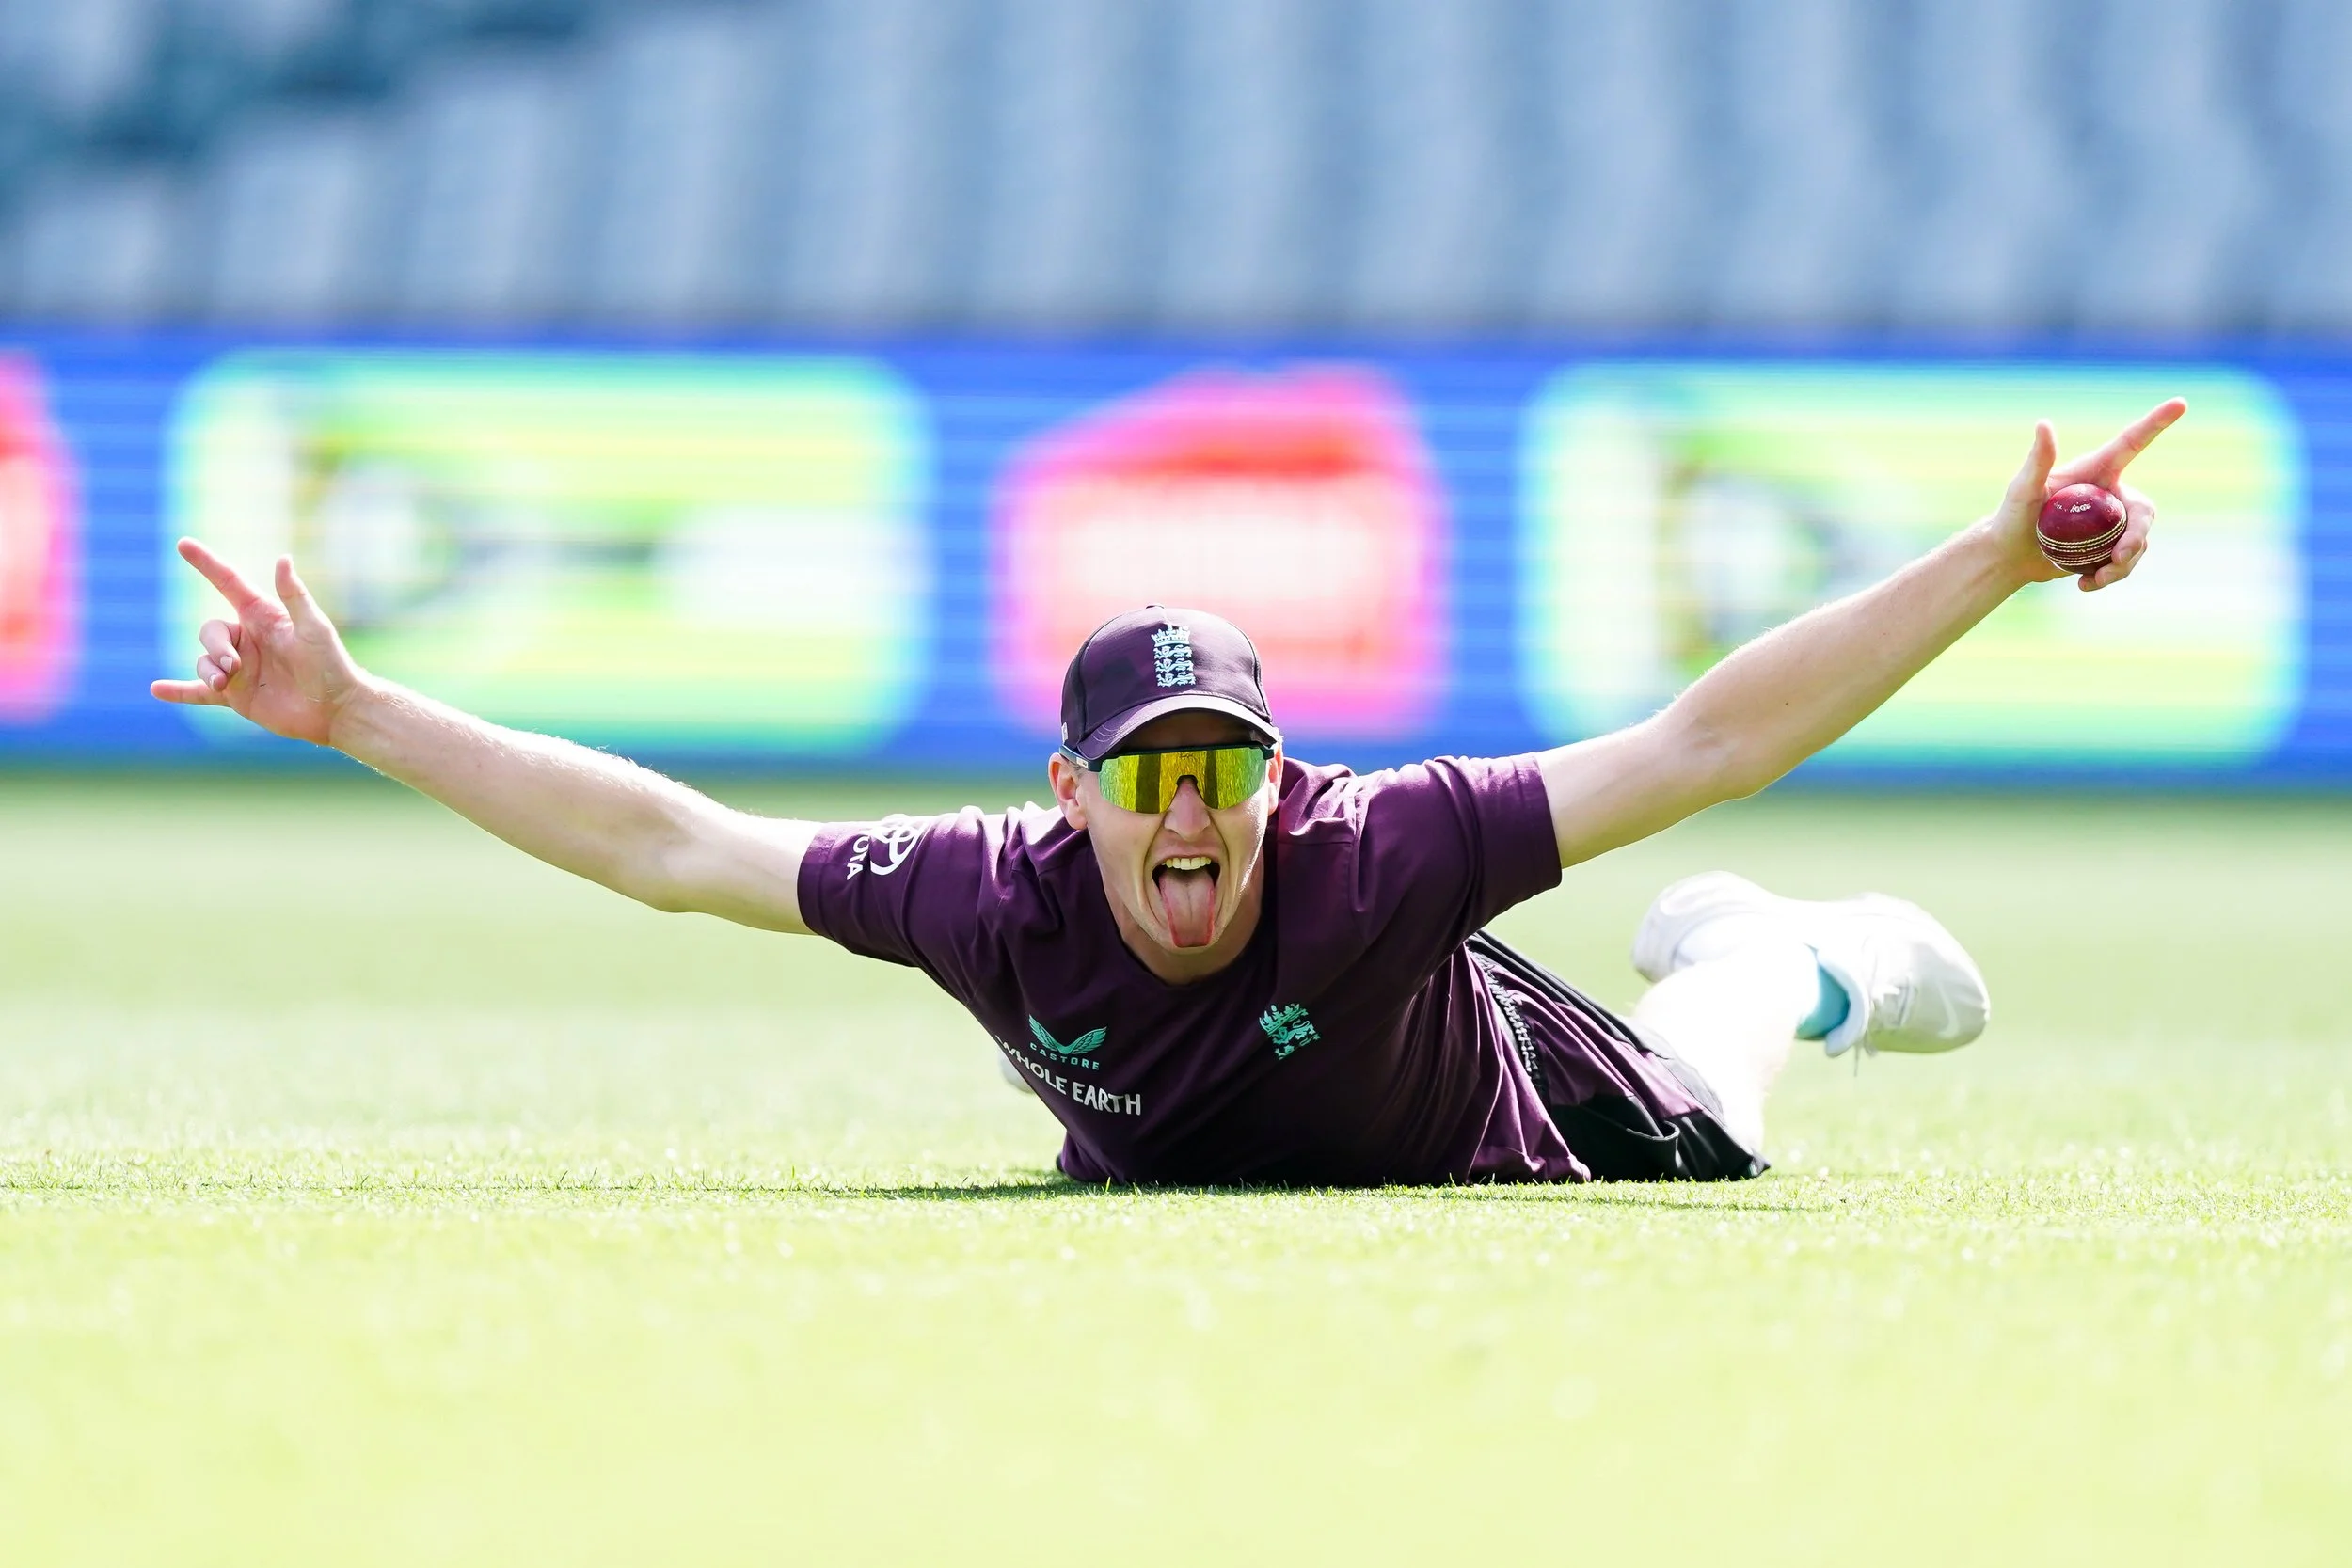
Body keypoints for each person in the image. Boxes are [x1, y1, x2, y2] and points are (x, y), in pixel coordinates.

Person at [154, 402, 2182, 1185]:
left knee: (1716, 1075)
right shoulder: (982, 895)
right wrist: (357, 714)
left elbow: (1695, 743)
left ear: (1274, 778)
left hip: (1526, 1135)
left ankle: (1785, 960)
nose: (1189, 810)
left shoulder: (1376, 846)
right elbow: (679, 848)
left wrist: (1989, 559)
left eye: (1223, 769)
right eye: (1148, 780)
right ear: (1071, 792)